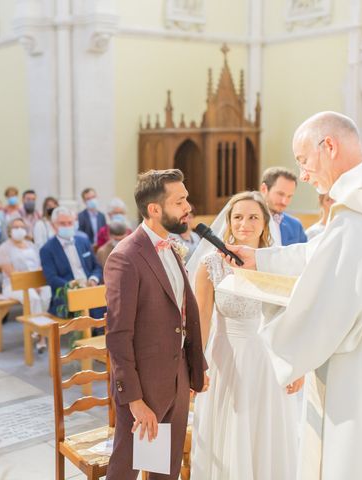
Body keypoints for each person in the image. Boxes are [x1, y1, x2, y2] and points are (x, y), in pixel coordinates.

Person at [224, 111, 362, 480]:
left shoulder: (358, 211)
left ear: (329, 147)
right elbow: (322, 254)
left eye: (304, 161)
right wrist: (261, 259)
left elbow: (333, 300)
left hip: (359, 363)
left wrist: (285, 339)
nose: (305, 174)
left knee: (353, 453)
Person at [188, 191, 300, 480]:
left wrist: (297, 365)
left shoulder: (276, 263)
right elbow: (201, 317)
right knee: (229, 432)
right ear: (228, 221)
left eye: (253, 217)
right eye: (238, 217)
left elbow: (288, 317)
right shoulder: (210, 265)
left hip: (267, 361)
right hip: (227, 358)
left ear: (265, 224)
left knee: (265, 433)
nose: (244, 224)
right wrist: (194, 364)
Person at [104, 169, 207, 480]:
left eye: (186, 199)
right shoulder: (126, 257)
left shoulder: (170, 246)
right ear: (154, 209)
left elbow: (182, 314)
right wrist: (134, 400)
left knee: (166, 472)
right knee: (126, 471)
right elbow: (118, 336)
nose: (188, 206)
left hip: (175, 379)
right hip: (143, 387)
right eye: (180, 201)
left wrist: (195, 366)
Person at [0, 217, 52, 352]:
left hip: (35, 282)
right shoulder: (4, 247)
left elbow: (39, 266)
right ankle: (40, 335)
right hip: (14, 285)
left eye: (21, 227)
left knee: (47, 293)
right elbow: (11, 273)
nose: (19, 229)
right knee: (33, 298)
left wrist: (38, 282)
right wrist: (31, 285)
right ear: (9, 231)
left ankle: (42, 328)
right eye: (15, 227)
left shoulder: (31, 245)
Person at [40, 206, 103, 318]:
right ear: (54, 226)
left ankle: (99, 333)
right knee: (87, 311)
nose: (67, 226)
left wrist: (93, 279)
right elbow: (52, 278)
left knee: (110, 307)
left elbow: (97, 267)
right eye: (62, 224)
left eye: (70, 223)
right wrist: (73, 286)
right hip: (67, 296)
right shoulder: (47, 249)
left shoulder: (83, 241)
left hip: (90, 290)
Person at [260, 167, 307, 245]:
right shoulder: (247, 221)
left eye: (289, 196)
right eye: (280, 194)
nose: (285, 202)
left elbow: (306, 255)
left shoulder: (295, 226)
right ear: (264, 189)